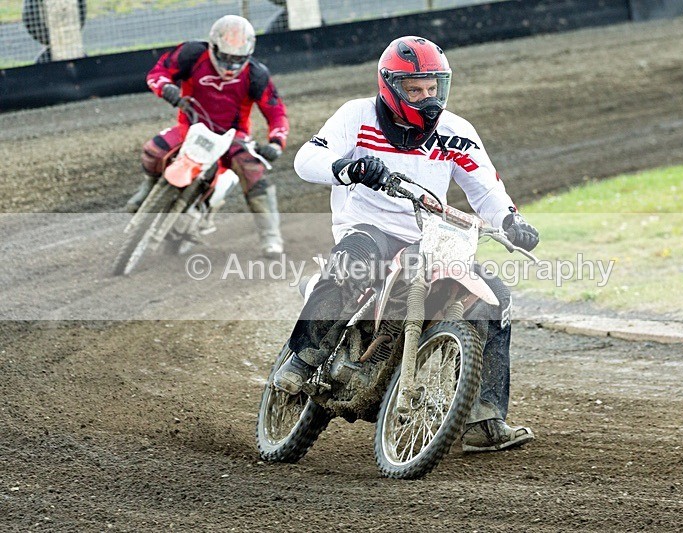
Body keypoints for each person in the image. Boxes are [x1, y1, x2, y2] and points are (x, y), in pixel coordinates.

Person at [274, 36, 540, 453]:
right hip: (368, 226)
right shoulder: (357, 115)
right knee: (354, 262)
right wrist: (348, 166)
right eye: (415, 90)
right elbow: (306, 159)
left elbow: (486, 190)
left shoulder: (456, 132)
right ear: (390, 87)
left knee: (496, 298)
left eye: (433, 89)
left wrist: (512, 220)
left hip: (429, 236)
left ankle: (484, 419)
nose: (427, 98)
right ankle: (303, 356)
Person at [126, 15, 289, 258]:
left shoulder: (257, 75)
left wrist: (276, 143)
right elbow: (158, 72)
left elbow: (276, 112)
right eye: (224, 57)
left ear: (248, 55)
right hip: (190, 127)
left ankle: (271, 236)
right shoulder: (191, 54)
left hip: (233, 137)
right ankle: (147, 189)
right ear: (213, 46)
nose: (228, 66)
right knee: (154, 149)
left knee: (254, 172)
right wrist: (166, 88)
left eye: (237, 60)